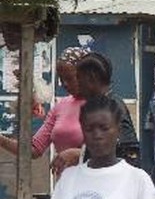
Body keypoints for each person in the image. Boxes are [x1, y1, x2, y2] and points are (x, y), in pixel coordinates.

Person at [0, 47, 92, 175]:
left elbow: (119, 151)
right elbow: (34, 149)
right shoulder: (61, 106)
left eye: (70, 78)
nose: (64, 84)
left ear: (86, 74)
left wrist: (80, 154)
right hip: (66, 186)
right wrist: (1, 139)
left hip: (96, 184)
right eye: (61, 78)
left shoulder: (105, 105)